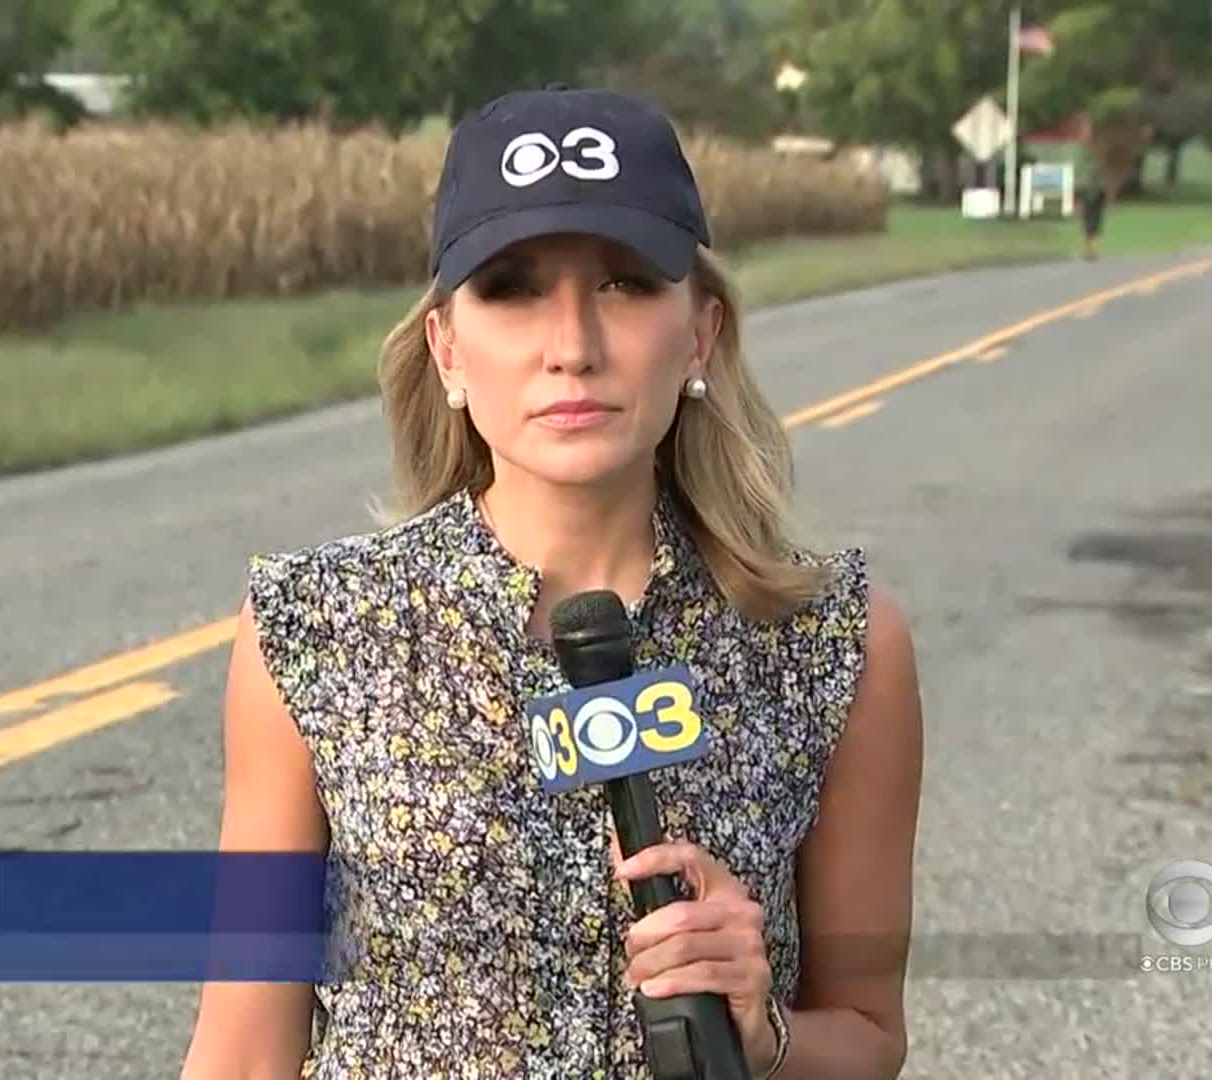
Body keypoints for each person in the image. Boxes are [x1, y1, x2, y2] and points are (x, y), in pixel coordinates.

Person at [180, 84, 924, 1080]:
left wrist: (762, 1029)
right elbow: (241, 1053)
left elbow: (869, 1042)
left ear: (699, 332)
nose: (570, 346)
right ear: (447, 343)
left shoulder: (838, 646)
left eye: (623, 283)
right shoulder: (317, 635)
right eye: (513, 288)